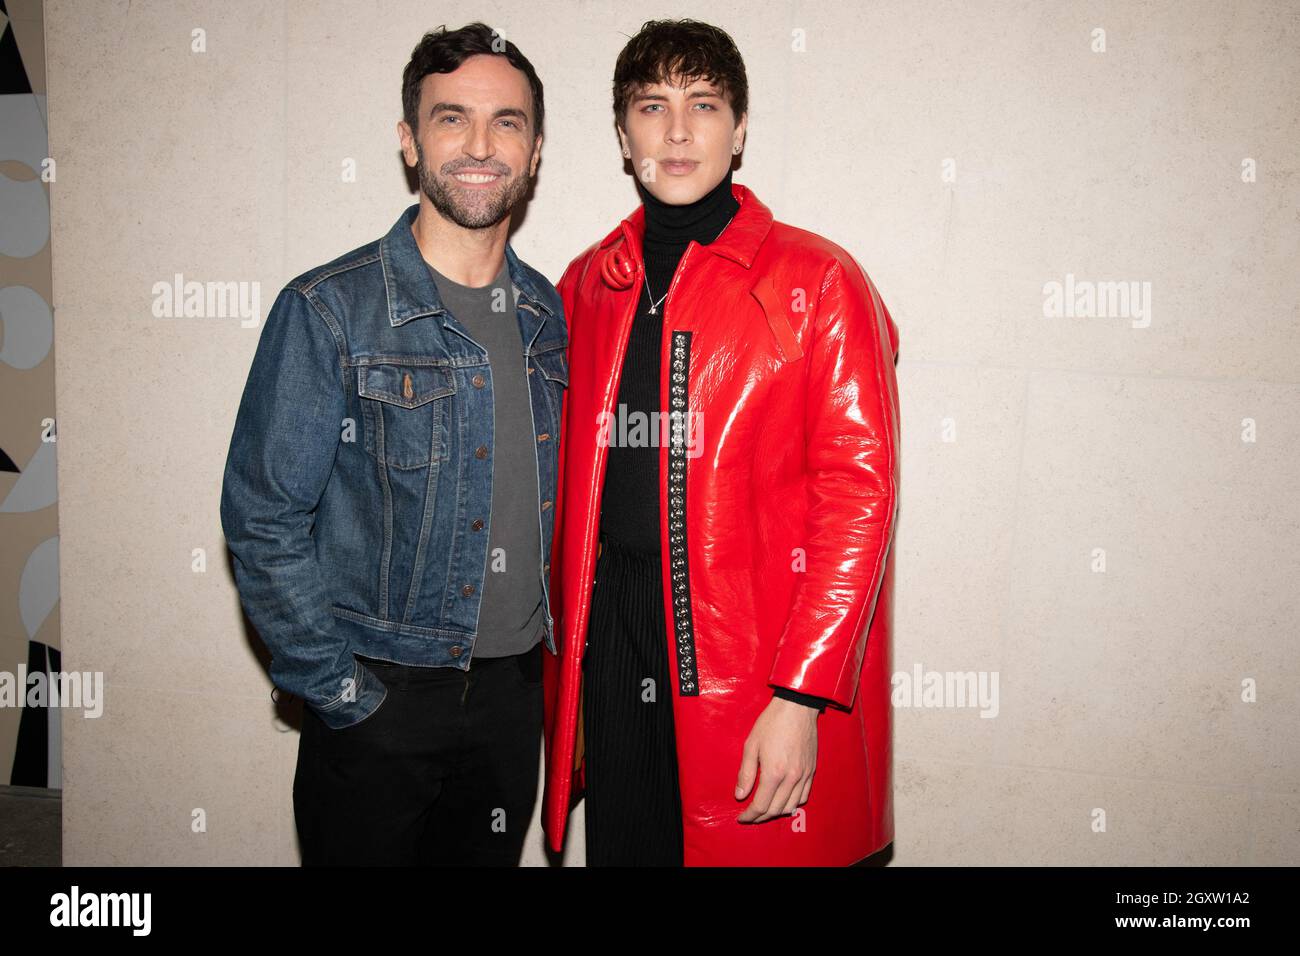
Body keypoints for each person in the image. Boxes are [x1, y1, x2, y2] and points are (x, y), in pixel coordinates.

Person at [541, 18, 900, 866]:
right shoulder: (585, 285)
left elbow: (858, 494)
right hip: (614, 631)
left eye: (702, 104)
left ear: (739, 130)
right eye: (651, 106)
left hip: (751, 646)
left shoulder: (818, 281)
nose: (675, 130)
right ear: (622, 134)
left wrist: (801, 695)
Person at [219, 23, 565, 866]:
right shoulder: (329, 308)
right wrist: (343, 693)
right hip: (380, 699)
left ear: (536, 149)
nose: (480, 145)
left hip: (514, 703)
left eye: (507, 122)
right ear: (410, 143)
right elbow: (262, 519)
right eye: (452, 119)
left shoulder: (548, 316)